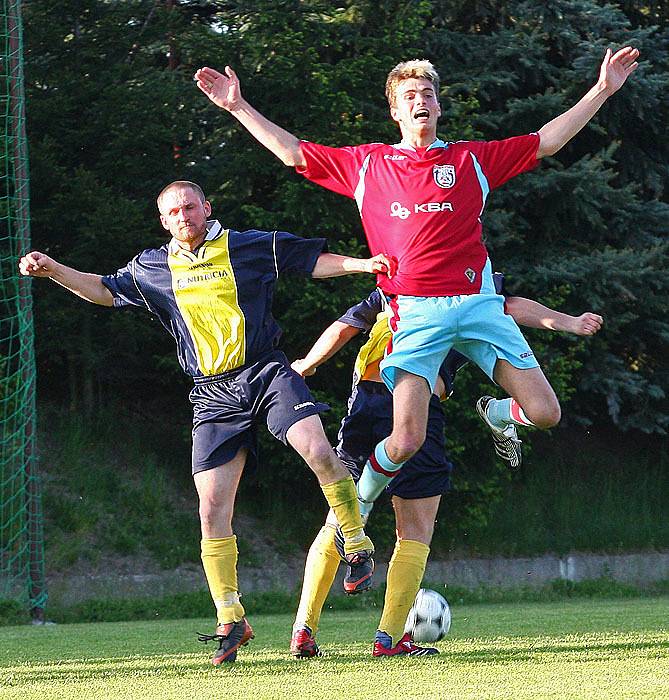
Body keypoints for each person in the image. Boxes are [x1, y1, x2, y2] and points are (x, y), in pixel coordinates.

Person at [193, 47, 637, 502]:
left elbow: (546, 141)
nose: (420, 99)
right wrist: (237, 106)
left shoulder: (470, 160)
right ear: (395, 111)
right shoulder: (368, 165)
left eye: (427, 93)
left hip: (478, 305)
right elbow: (293, 154)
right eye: (409, 95)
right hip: (416, 314)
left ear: (439, 106)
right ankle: (358, 505)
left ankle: (500, 414)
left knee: (545, 413)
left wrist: (602, 89)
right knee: (406, 441)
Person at [18, 180, 392, 665]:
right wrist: (52, 271)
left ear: (205, 208)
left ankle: (357, 544)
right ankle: (231, 617)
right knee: (211, 508)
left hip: (265, 372)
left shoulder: (244, 245)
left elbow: (308, 261)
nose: (182, 217)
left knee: (319, 452)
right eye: (172, 212)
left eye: (189, 207)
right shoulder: (154, 267)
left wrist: (362, 265)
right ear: (163, 220)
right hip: (212, 395)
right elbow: (105, 291)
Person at [289, 277, 602, 657]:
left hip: (372, 402)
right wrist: (567, 321)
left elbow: (347, 325)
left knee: (342, 519)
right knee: (414, 529)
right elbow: (510, 306)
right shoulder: (466, 274)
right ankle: (388, 639)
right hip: (408, 407)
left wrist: (306, 363)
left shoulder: (399, 275)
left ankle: (305, 630)